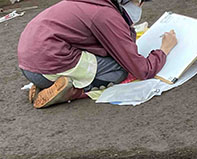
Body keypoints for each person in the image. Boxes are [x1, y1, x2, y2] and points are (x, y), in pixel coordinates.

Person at [17, 0, 178, 109]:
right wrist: (164, 49)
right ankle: (71, 92)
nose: (140, 6)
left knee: (110, 59)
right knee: (118, 70)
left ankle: (48, 84)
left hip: (30, 64)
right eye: (139, 1)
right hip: (47, 63)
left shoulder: (94, 4)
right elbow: (142, 70)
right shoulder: (107, 15)